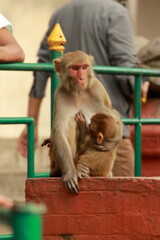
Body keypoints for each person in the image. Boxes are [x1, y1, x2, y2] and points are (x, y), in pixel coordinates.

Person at [17, 0, 148, 176]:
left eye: (84, 68)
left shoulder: (59, 14)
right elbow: (126, 71)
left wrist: (32, 123)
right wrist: (141, 85)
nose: (80, 74)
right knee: (117, 198)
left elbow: (41, 70)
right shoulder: (116, 13)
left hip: (70, 150)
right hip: (103, 137)